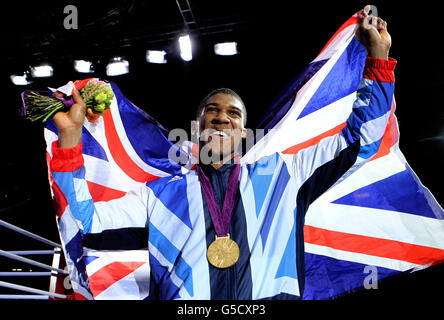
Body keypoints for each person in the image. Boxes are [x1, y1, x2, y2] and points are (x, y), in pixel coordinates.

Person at [49, 8, 396, 299]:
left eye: (233, 113)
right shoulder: (159, 195)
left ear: (243, 134)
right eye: (211, 111)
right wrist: (70, 138)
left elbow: (361, 141)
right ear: (197, 128)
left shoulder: (282, 175)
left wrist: (377, 60)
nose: (221, 117)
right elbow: (85, 224)